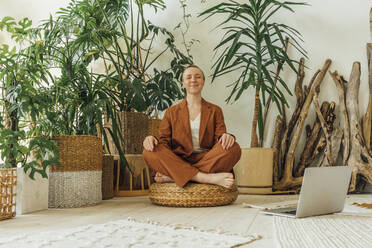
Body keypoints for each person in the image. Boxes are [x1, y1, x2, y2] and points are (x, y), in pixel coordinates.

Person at [142, 65, 241, 188]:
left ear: (203, 82)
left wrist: (227, 136)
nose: (193, 80)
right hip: (178, 159)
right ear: (183, 83)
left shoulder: (215, 110)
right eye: (188, 77)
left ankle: (176, 176)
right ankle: (204, 177)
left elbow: (220, 138)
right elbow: (164, 142)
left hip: (207, 159)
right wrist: (151, 139)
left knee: (234, 149)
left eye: (198, 77)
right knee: (149, 152)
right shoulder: (171, 112)